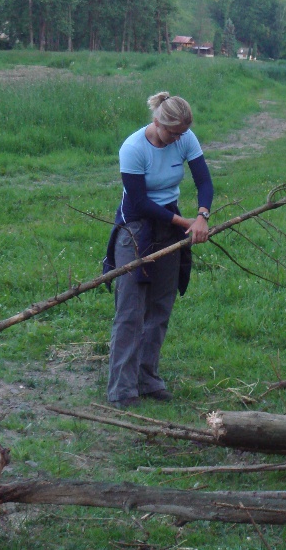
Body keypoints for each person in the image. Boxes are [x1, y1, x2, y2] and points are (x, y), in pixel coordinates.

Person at [105, 91, 214, 408]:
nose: (178, 139)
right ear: (157, 122)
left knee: (161, 305)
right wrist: (186, 221)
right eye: (173, 133)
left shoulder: (184, 137)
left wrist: (203, 216)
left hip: (170, 223)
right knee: (130, 310)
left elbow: (204, 181)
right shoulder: (133, 148)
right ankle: (122, 389)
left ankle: (147, 378)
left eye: (182, 134)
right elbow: (139, 202)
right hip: (136, 226)